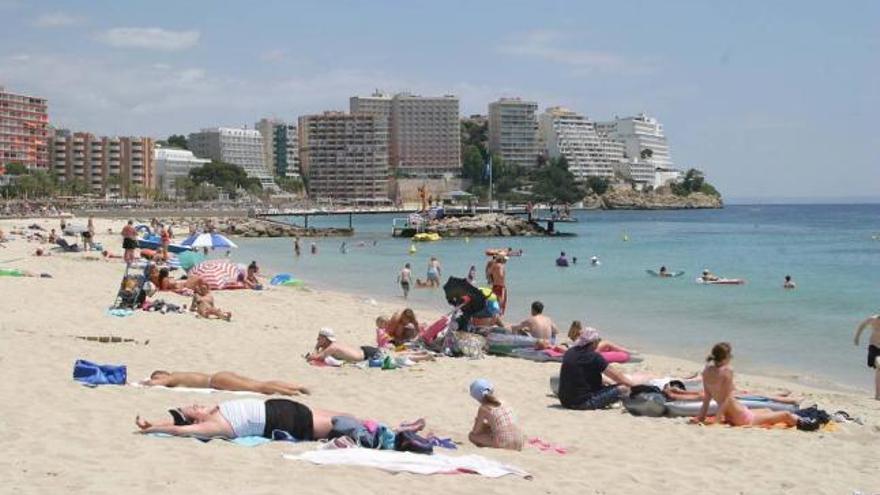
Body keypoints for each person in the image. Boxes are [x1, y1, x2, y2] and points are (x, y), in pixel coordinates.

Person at [696, 343, 812, 428]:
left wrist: (701, 418)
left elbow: (707, 397)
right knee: (786, 415)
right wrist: (716, 421)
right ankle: (804, 424)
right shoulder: (727, 370)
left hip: (734, 414)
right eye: (730, 355)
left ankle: (797, 420)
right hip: (742, 418)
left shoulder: (706, 371)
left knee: (766, 410)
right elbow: (726, 399)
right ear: (726, 357)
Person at [135, 398, 349, 441]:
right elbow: (179, 429)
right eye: (193, 409)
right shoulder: (213, 425)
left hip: (278, 406)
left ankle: (369, 424)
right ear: (194, 420)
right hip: (285, 422)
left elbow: (176, 418)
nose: (196, 405)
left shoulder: (214, 411)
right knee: (343, 426)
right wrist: (152, 429)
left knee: (343, 416)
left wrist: (154, 421)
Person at [558, 328, 633, 410]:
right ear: (593, 343)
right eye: (598, 341)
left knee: (606, 382)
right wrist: (634, 386)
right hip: (583, 403)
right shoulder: (594, 357)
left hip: (565, 401)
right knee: (624, 388)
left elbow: (580, 374)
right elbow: (617, 376)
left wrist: (607, 382)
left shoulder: (570, 352)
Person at [142, 370, 309, 396]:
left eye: (157, 376)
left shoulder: (171, 377)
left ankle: (291, 392)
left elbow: (157, 383)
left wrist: (144, 382)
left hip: (216, 381)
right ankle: (295, 386)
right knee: (258, 383)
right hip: (219, 376)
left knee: (257, 387)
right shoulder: (178, 374)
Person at [467, 379, 523, 451]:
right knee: (492, 428)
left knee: (472, 436)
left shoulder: (484, 408)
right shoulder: (503, 401)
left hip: (504, 443)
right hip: (519, 440)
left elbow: (475, 431)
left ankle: (488, 444)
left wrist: (480, 423)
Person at [308, 328, 383, 364]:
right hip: (365, 350)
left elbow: (315, 357)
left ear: (325, 339)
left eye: (319, 337)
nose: (317, 339)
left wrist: (316, 347)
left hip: (370, 355)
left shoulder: (332, 347)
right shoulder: (332, 345)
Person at [854, 314, 880, 400]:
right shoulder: (873, 319)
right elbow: (862, 325)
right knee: (879, 367)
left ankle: (877, 394)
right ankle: (877, 394)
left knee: (878, 370)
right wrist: (857, 337)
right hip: (874, 346)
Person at [567, 320, 633, 354]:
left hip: (584, 348)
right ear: (580, 326)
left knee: (606, 344)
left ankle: (626, 351)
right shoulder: (582, 333)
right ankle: (628, 351)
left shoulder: (572, 333)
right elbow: (591, 340)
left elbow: (577, 343)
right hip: (587, 350)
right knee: (607, 343)